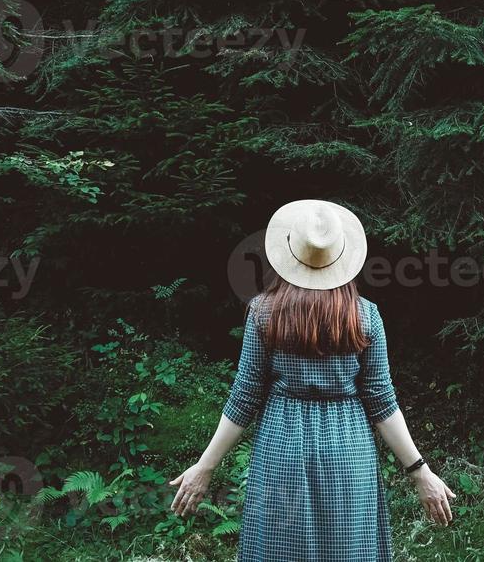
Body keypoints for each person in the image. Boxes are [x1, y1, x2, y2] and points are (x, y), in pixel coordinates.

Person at [169, 199, 456, 561]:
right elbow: (382, 401)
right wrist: (420, 472)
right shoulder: (365, 316)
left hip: (281, 446)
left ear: (288, 252)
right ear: (342, 259)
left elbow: (245, 397)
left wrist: (205, 466)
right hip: (348, 449)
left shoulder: (263, 311)